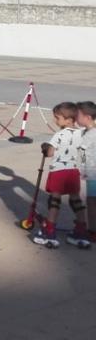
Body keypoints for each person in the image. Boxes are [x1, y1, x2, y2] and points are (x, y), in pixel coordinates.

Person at [32, 103, 90, 249]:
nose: (55, 121)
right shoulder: (82, 133)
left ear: (69, 120)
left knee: (54, 200)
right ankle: (81, 230)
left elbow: (50, 153)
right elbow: (83, 153)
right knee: (75, 199)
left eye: (57, 118)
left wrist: (45, 148)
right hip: (73, 171)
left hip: (58, 171)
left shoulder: (59, 134)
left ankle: (49, 230)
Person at [77, 101, 96, 241]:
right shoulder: (88, 131)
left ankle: (93, 231)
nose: (76, 118)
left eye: (78, 115)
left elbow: (81, 152)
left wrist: (81, 169)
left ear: (87, 117)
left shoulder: (90, 134)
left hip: (92, 173)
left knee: (91, 202)